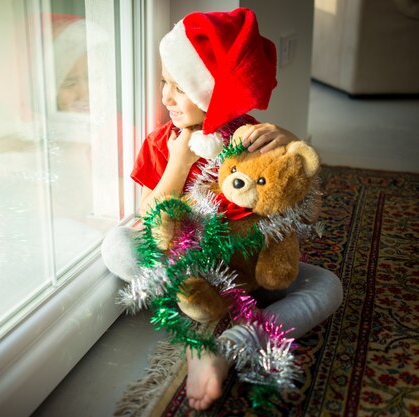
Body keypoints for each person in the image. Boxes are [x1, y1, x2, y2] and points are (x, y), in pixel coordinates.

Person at [101, 8, 343, 411]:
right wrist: (178, 164)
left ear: (214, 91)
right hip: (192, 269)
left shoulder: (251, 138)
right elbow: (148, 214)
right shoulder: (163, 143)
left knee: (327, 287)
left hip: (254, 268)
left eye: (180, 87)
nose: (166, 97)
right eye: (165, 83)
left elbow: (306, 203)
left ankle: (226, 344)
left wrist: (290, 140)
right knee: (117, 244)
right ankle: (212, 312)